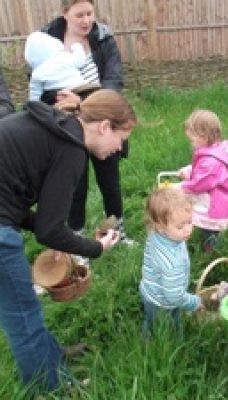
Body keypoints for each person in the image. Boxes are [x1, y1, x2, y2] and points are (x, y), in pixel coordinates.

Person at [0, 89, 137, 394]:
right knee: (22, 318)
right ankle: (53, 388)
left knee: (26, 308)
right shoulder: (71, 148)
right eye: (121, 138)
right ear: (104, 127)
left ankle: (50, 357)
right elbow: (49, 231)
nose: (119, 148)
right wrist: (96, 248)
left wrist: (58, 236)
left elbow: (17, 208)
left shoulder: (56, 128)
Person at [37, 0, 134, 256]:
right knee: (75, 185)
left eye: (89, 13)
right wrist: (58, 98)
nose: (86, 20)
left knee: (110, 182)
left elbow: (114, 80)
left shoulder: (103, 39)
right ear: (64, 14)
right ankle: (77, 239)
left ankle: (116, 231)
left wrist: (90, 101)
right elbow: (40, 83)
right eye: (79, 15)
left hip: (104, 122)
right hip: (68, 126)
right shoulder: (47, 42)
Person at [139, 188, 202, 335]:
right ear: (160, 226)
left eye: (190, 221)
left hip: (150, 290)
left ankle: (150, 333)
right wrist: (194, 302)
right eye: (180, 226)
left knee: (151, 321)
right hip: (161, 301)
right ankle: (155, 344)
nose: (188, 230)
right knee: (162, 329)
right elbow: (173, 297)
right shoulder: (172, 263)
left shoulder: (157, 234)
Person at [177, 109, 228, 251]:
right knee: (209, 231)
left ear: (203, 136)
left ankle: (209, 253)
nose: (191, 143)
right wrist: (189, 170)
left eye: (192, 140)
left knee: (210, 233)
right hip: (220, 200)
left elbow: (201, 183)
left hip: (214, 205)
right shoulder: (217, 150)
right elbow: (203, 171)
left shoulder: (211, 161)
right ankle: (207, 247)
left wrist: (181, 185)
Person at [24, 31, 89, 101]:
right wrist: (77, 47)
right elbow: (80, 60)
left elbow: (35, 92)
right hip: (77, 87)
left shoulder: (37, 74)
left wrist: (34, 104)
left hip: (54, 95)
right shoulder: (66, 57)